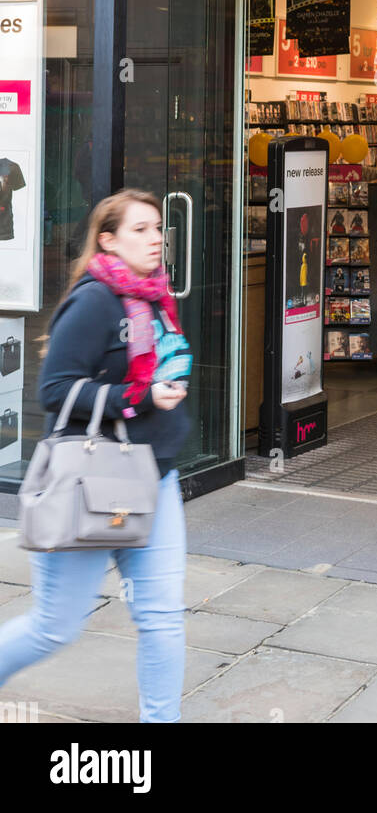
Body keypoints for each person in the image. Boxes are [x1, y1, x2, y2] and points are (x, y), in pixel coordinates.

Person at [0, 189, 191, 722]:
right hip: (91, 484)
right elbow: (55, 391)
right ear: (107, 239)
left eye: (158, 228)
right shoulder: (94, 301)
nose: (155, 238)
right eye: (140, 229)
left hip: (154, 479)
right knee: (54, 627)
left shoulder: (156, 295)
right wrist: (138, 397)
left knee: (162, 619)